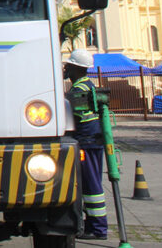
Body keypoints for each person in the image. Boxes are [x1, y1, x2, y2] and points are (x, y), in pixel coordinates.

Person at [63, 49, 107, 240]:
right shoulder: (88, 85)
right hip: (92, 140)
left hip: (87, 142)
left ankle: (97, 229)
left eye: (68, 65)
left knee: (91, 186)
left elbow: (76, 117)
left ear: (76, 68)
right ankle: (94, 226)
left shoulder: (79, 90)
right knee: (91, 185)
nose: (65, 68)